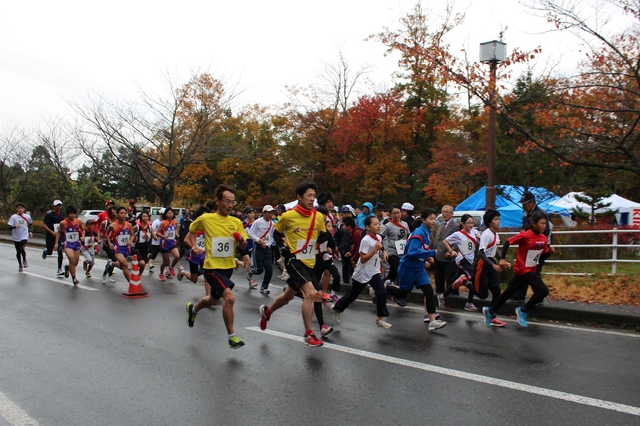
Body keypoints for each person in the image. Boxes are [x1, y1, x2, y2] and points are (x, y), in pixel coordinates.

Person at [258, 182, 328, 347]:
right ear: (299, 197)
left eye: (313, 196)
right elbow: (276, 232)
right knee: (310, 294)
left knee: (289, 295)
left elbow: (323, 235)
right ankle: (309, 334)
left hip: (309, 261)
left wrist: (326, 242)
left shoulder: (318, 216)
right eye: (309, 195)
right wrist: (282, 247)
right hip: (293, 259)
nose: (312, 199)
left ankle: (267, 312)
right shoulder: (288, 216)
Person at [185, 184, 248, 349]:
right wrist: (194, 246)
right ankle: (231, 337)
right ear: (218, 201)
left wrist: (241, 241)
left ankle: (194, 310)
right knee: (229, 298)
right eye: (227, 201)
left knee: (213, 300)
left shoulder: (236, 222)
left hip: (227, 267)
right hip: (211, 268)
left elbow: (244, 245)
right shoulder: (206, 219)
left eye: (233, 202)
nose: (230, 205)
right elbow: (191, 230)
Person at [482, 211, 550, 328]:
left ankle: (491, 311)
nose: (544, 226)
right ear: (534, 223)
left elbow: (542, 256)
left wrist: (550, 251)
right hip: (523, 269)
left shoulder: (543, 238)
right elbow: (508, 242)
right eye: (542, 223)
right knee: (543, 291)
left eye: (545, 223)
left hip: (530, 270)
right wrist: (502, 259)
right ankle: (523, 311)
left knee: (508, 293)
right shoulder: (525, 235)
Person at [386, 208, 446, 331]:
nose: (434, 221)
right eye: (431, 219)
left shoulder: (427, 232)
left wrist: (428, 257)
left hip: (419, 269)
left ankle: (432, 321)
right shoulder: (419, 233)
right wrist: (432, 253)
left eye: (435, 219)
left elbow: (421, 249)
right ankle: (382, 286)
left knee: (429, 291)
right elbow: (413, 252)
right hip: (408, 268)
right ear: (423, 220)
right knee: (403, 293)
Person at [331, 216, 392, 328]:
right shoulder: (365, 240)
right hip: (363, 271)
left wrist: (384, 252)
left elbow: (380, 246)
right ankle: (337, 308)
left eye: (379, 223)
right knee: (353, 294)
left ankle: (380, 318)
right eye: (375, 224)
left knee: (382, 292)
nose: (378, 226)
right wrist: (374, 251)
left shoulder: (378, 236)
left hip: (374, 271)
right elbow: (363, 259)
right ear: (368, 227)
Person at [509, 191, 554, 302]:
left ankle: (538, 296)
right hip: (530, 248)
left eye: (525, 204)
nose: (523, 206)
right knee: (527, 272)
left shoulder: (539, 214)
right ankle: (520, 295)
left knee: (534, 272)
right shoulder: (528, 214)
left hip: (538, 248)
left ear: (532, 203)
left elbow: (545, 231)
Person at [438, 214, 482, 311]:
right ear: (462, 223)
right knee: (474, 279)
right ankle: (469, 303)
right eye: (468, 223)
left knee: (456, 282)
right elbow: (445, 241)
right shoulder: (458, 234)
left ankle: (443, 296)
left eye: (472, 223)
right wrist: (451, 251)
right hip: (462, 260)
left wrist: (479, 237)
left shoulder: (474, 232)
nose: (471, 225)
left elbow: (481, 244)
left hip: (470, 260)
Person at [475, 209, 511, 327]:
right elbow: (481, 253)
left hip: (491, 262)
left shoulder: (496, 235)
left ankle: (492, 315)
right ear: (489, 222)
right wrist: (493, 265)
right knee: (482, 294)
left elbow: (494, 252)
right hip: (484, 264)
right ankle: (464, 281)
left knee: (497, 291)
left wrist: (503, 261)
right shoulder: (486, 234)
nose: (498, 222)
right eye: (495, 219)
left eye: (498, 219)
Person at [380, 203, 410, 307]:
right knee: (398, 271)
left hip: (402, 253)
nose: (397, 215)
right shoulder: (388, 225)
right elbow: (379, 238)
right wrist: (383, 250)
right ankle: (396, 295)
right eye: (394, 213)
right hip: (391, 253)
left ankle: (377, 288)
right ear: (390, 214)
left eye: (398, 213)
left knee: (392, 275)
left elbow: (407, 237)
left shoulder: (405, 224)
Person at [178, 206, 209, 291]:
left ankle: (210, 296)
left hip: (205, 254)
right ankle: (182, 271)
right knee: (194, 279)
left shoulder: (210, 227)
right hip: (194, 255)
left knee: (208, 273)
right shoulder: (195, 227)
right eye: (203, 216)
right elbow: (186, 240)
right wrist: (194, 247)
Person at [247, 205, 276, 294]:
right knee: (259, 269)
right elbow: (250, 233)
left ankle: (264, 287)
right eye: (268, 212)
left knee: (269, 269)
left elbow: (272, 236)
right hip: (258, 247)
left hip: (267, 248)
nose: (270, 214)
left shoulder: (272, 224)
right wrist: (259, 240)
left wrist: (269, 244)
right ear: (264, 213)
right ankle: (250, 270)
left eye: (272, 212)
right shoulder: (258, 222)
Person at [54, 205, 85, 286]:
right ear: (67, 214)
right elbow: (59, 233)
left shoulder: (78, 221)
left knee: (75, 262)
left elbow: (83, 229)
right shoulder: (63, 223)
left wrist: (83, 236)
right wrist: (56, 243)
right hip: (68, 243)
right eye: (70, 214)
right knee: (72, 259)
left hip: (76, 243)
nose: (72, 215)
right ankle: (74, 278)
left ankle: (68, 268)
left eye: (74, 214)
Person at [433, 205, 458, 294]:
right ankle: (439, 294)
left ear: (452, 213)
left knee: (450, 279)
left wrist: (451, 251)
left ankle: (451, 297)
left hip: (448, 257)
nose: (444, 213)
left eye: (447, 211)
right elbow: (437, 239)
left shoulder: (455, 226)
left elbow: (457, 241)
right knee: (438, 278)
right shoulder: (440, 225)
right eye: (443, 211)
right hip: (437, 256)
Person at [106, 207, 135, 284]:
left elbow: (132, 235)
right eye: (121, 213)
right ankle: (131, 283)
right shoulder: (113, 226)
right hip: (117, 248)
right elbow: (107, 234)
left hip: (126, 248)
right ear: (117, 214)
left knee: (122, 266)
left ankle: (111, 264)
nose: (123, 215)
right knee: (125, 264)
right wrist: (109, 243)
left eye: (125, 213)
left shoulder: (129, 225)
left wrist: (130, 241)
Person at [42, 199, 66, 276]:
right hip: (51, 235)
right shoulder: (49, 214)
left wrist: (63, 230)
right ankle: (46, 251)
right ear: (54, 206)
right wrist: (51, 232)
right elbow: (44, 224)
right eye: (57, 206)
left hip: (60, 236)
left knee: (60, 250)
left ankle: (59, 269)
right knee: (50, 251)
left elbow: (64, 224)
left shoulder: (63, 214)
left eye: (60, 205)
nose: (58, 207)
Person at [156, 207, 180, 281]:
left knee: (177, 256)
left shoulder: (174, 222)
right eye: (169, 213)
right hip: (164, 243)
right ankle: (161, 273)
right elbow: (157, 232)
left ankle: (171, 267)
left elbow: (175, 228)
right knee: (165, 261)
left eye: (171, 213)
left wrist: (176, 233)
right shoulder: (163, 222)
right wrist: (163, 236)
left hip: (172, 242)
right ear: (166, 214)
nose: (170, 214)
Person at [8, 203, 32, 272]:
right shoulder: (13, 217)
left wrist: (30, 231)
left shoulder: (27, 217)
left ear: (24, 209)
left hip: (24, 235)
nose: (20, 209)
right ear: (16, 209)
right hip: (16, 236)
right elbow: (9, 227)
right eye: (18, 208)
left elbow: (30, 224)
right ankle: (20, 264)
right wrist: (15, 227)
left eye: (21, 208)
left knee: (22, 247)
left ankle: (24, 260)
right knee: (18, 251)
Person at [335, 206, 356, 286]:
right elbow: (336, 237)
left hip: (352, 248)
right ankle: (345, 282)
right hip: (343, 248)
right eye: (344, 213)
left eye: (348, 213)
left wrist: (354, 244)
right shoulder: (340, 226)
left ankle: (354, 282)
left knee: (352, 265)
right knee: (345, 265)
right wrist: (337, 245)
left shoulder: (353, 224)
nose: (346, 215)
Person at [132, 210, 156, 275]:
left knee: (143, 264)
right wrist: (131, 239)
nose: (145, 218)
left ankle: (138, 277)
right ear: (141, 218)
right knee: (142, 263)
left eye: (146, 216)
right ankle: (134, 265)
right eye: (144, 217)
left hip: (146, 247)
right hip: (138, 246)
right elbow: (131, 231)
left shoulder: (150, 227)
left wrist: (155, 237)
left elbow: (153, 234)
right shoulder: (137, 226)